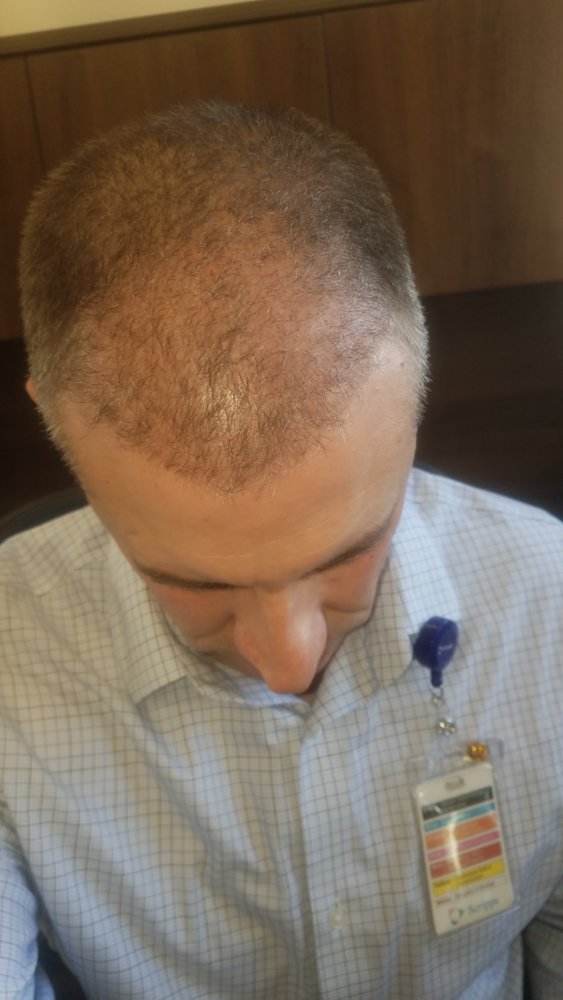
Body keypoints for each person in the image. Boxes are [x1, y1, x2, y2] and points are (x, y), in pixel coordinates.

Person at [1, 102, 561, 1000]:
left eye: (347, 552)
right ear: (52, 423)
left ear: (414, 395)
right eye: (190, 582)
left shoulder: (552, 605)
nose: (287, 663)